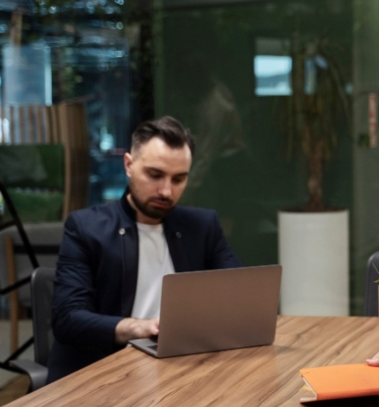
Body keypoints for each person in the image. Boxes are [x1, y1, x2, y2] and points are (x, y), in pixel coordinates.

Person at [47, 116, 241, 382]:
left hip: (182, 371)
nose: (166, 191)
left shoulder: (202, 226)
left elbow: (239, 299)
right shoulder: (86, 228)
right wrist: (140, 327)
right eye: (155, 175)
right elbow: (68, 319)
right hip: (104, 375)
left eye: (179, 179)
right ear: (128, 165)